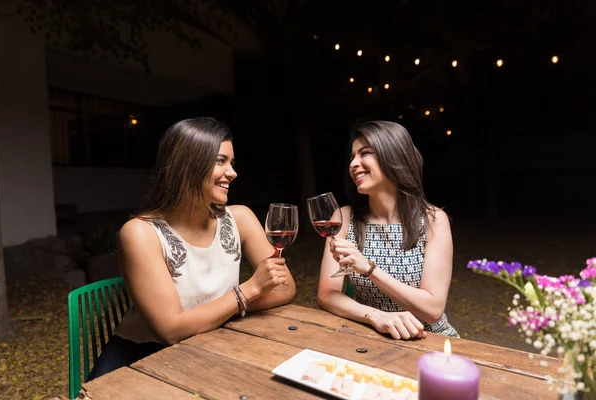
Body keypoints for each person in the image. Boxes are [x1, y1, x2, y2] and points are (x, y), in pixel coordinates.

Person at [89, 118, 296, 379]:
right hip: (140, 360)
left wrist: (213, 315)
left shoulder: (240, 218)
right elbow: (171, 331)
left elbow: (285, 288)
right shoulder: (141, 233)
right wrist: (248, 291)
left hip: (208, 344)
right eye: (221, 161)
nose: (232, 173)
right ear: (187, 166)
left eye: (231, 163)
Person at [317, 120, 458, 340]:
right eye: (352, 157)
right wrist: (376, 316)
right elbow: (327, 295)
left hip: (429, 340)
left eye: (365, 153)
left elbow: (432, 310)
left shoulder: (432, 220)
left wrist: (368, 269)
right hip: (371, 337)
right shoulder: (344, 218)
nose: (354, 163)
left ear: (393, 156)